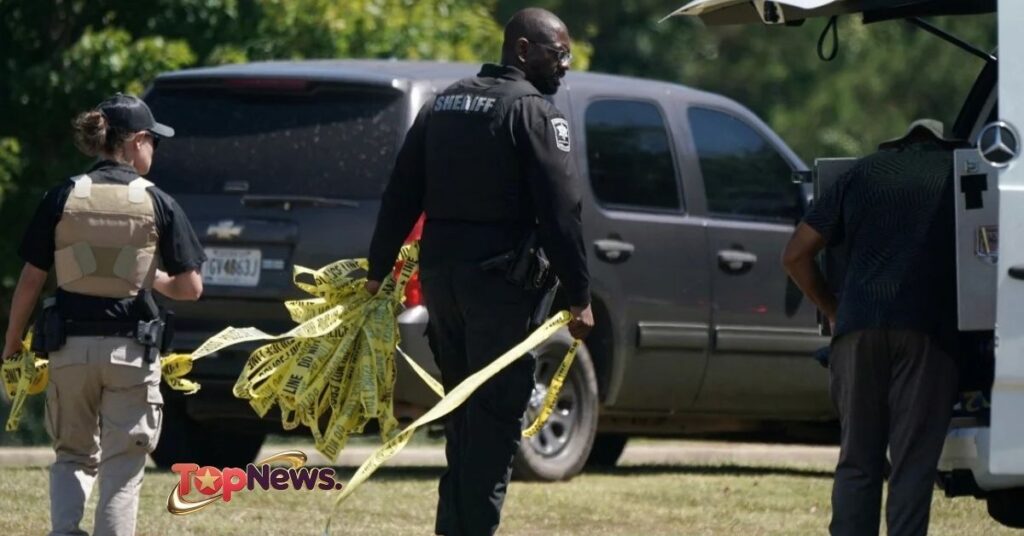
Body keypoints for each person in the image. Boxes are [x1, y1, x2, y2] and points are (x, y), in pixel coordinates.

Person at [364, 7, 594, 535]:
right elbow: (563, 214)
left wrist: (379, 269)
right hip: (500, 289)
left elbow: (401, 192)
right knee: (493, 423)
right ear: (522, 50)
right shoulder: (534, 113)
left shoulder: (444, 103)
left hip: (444, 284)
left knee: (463, 417)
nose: (565, 67)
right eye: (558, 54)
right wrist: (578, 296)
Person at [1, 94, 206, 536]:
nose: (154, 150)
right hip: (131, 353)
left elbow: (31, 281)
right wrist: (150, 277)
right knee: (122, 464)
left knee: (72, 456)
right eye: (153, 141)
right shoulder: (159, 202)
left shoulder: (62, 196)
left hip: (69, 352)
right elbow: (190, 288)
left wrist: (12, 345)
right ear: (135, 142)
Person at [782, 119, 964, 536]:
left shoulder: (862, 172)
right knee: (911, 463)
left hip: (856, 329)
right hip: (926, 331)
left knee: (858, 461)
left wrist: (832, 308)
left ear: (898, 145)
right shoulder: (959, 171)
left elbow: (794, 255)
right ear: (944, 143)